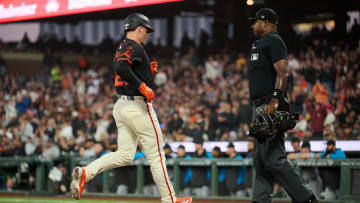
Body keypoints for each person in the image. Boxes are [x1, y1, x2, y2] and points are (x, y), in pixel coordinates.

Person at [70, 13, 192, 203]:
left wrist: (145, 72)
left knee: (125, 155)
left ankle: (87, 172)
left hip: (121, 105)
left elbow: (120, 72)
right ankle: (170, 199)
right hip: (137, 106)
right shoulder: (134, 46)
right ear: (140, 28)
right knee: (157, 154)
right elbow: (121, 68)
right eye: (146, 31)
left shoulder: (122, 46)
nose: (147, 35)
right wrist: (142, 85)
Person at [247, 8, 317, 203]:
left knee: (273, 159)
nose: (253, 25)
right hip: (259, 106)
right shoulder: (261, 43)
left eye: (256, 22)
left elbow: (283, 72)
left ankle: (305, 197)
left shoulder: (274, 40)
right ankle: (260, 200)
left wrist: (275, 99)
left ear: (267, 23)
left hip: (270, 105)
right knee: (261, 161)